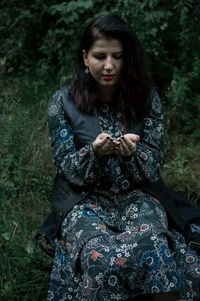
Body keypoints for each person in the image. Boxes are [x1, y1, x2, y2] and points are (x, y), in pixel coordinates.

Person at [37, 14, 200, 301]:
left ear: (127, 59)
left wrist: (133, 155)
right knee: (97, 251)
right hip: (84, 198)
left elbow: (153, 169)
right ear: (85, 58)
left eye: (117, 56)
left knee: (153, 242)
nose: (109, 65)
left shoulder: (146, 97)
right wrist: (95, 154)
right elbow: (68, 169)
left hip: (138, 193)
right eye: (100, 56)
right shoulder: (62, 101)